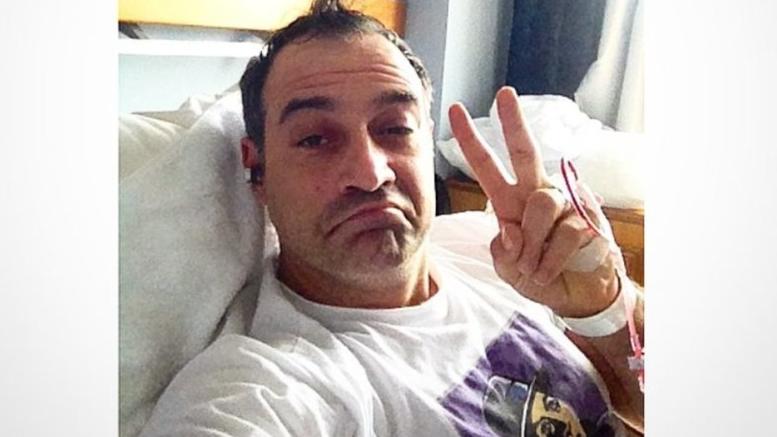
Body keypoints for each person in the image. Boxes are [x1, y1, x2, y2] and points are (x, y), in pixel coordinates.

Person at [140, 1, 644, 436]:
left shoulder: (505, 257)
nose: (369, 173)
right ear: (258, 170)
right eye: (315, 138)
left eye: (395, 128)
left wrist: (605, 307)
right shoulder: (264, 386)